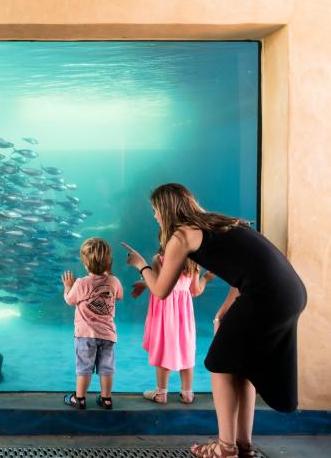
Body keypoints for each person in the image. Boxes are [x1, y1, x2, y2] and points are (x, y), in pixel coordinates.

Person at [122, 183, 306, 458]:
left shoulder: (182, 235)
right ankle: (242, 446)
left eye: (155, 210)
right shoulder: (220, 225)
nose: (155, 217)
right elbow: (246, 271)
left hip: (266, 296)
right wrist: (223, 313)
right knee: (243, 367)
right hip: (290, 292)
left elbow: (161, 290)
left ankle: (226, 448)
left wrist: (141, 266)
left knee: (218, 363)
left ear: (166, 209)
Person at [132, 250, 215, 404]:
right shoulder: (191, 260)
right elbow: (195, 291)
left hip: (165, 311)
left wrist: (145, 282)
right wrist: (206, 278)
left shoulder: (158, 259)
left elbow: (159, 285)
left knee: (164, 348)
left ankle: (161, 393)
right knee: (186, 348)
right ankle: (187, 393)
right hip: (183, 313)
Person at [61, 237, 123, 410]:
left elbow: (70, 300)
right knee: (106, 368)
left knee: (84, 368)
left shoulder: (81, 283)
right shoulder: (114, 281)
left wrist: (68, 286)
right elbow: (120, 295)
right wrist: (109, 276)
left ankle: (79, 399)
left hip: (85, 335)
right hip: (108, 335)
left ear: (85, 264)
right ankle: (106, 399)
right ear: (108, 262)